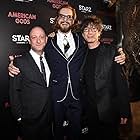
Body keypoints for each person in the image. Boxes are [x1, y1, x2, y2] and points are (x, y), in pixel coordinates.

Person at [8, 4, 126, 140]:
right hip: (55, 97)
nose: (65, 19)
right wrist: (14, 65)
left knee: (76, 133)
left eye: (69, 17)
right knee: (56, 133)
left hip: (77, 96)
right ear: (57, 19)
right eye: (62, 16)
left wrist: (122, 54)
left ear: (73, 21)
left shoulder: (82, 40)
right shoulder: (48, 41)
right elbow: (34, 54)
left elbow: (98, 51)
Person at [80, 15, 131, 140]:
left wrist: (124, 109)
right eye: (86, 29)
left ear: (99, 32)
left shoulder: (112, 51)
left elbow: (121, 83)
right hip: (89, 111)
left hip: (108, 110)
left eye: (93, 29)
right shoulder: (81, 54)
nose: (90, 32)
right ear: (82, 34)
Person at [9, 26, 53, 140]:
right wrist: (19, 117)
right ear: (29, 40)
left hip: (49, 117)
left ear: (46, 40)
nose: (38, 40)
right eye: (34, 37)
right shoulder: (19, 61)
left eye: (41, 37)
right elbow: (14, 91)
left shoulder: (52, 59)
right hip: (29, 120)